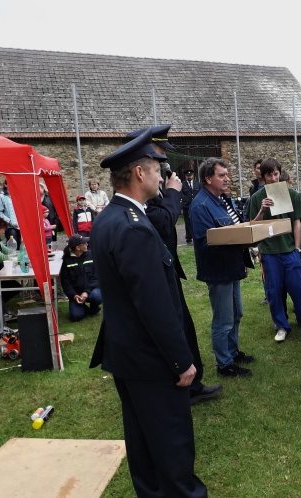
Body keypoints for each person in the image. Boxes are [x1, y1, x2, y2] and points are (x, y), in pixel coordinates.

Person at [89, 130, 207, 497]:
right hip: (151, 358)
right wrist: (181, 361)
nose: (161, 176)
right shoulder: (133, 227)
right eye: (157, 169)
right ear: (140, 173)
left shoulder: (109, 218)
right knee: (171, 443)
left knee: (143, 442)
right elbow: (154, 306)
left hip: (127, 354)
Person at [127, 124, 223, 405]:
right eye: (159, 153)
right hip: (157, 269)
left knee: (184, 325)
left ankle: (192, 383)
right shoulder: (144, 190)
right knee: (174, 327)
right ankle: (185, 384)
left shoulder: (156, 182)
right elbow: (162, 221)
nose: (163, 159)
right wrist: (172, 193)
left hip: (166, 265)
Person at [190, 157, 255, 378]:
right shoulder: (200, 205)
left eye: (227, 174)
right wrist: (238, 242)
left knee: (236, 313)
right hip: (218, 271)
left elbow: (235, 230)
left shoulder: (222, 200)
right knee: (223, 319)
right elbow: (206, 242)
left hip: (232, 266)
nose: (227, 179)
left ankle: (232, 352)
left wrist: (242, 260)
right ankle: (224, 364)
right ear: (208, 178)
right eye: (222, 175)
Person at [248, 158, 301, 342]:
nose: (273, 178)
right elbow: (253, 226)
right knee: (274, 292)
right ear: (263, 177)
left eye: (276, 174)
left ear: (280, 174)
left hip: (290, 251)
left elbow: (297, 222)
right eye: (269, 175)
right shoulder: (256, 198)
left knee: (299, 289)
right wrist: (262, 210)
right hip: (269, 252)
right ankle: (281, 326)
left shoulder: (291, 194)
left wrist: (297, 248)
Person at [60, 234, 102, 322]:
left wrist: (86, 292)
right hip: (77, 294)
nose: (87, 244)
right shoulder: (67, 261)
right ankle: (84, 308)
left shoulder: (91, 255)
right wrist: (74, 296)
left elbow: (97, 277)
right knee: (75, 316)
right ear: (78, 247)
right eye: (84, 243)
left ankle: (94, 308)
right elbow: (66, 283)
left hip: (91, 291)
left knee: (97, 296)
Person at [0, 178, 21, 246]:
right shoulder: (1, 197)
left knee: (22, 247)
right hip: (10, 227)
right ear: (5, 185)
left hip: (22, 226)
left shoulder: (19, 195)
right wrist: (9, 221)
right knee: (12, 247)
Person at [181, 169, 200, 245]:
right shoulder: (182, 185)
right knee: (188, 223)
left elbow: (200, 193)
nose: (189, 177)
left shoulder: (197, 184)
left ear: (193, 175)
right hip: (187, 207)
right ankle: (189, 238)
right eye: (187, 175)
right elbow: (181, 195)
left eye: (190, 175)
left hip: (196, 207)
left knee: (197, 222)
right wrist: (183, 204)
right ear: (185, 176)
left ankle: (197, 237)